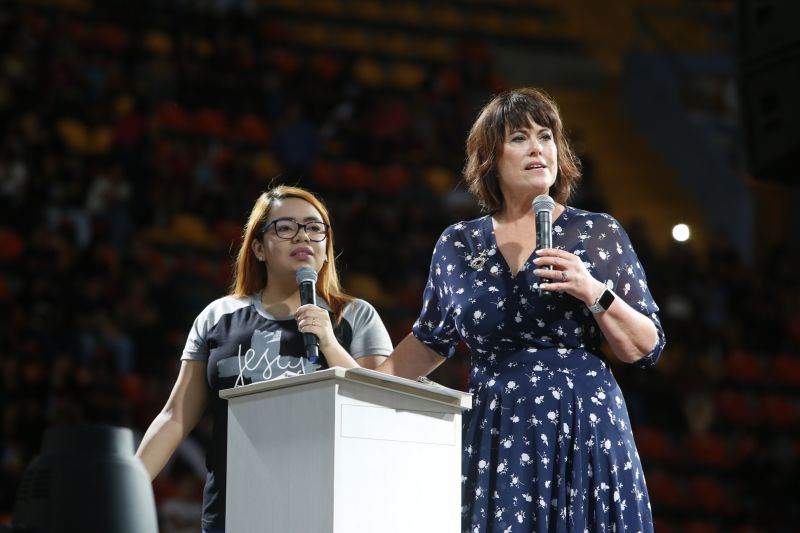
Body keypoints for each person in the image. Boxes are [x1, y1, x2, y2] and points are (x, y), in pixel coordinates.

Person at [376, 88, 665, 532]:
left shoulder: (596, 232)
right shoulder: (458, 243)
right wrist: (357, 383)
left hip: (582, 422)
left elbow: (643, 347)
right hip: (499, 426)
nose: (537, 148)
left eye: (546, 136)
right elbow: (429, 342)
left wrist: (593, 291)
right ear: (490, 157)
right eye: (519, 138)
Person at [135, 185, 393, 533]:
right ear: (258, 247)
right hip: (234, 509)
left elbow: (381, 408)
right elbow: (175, 417)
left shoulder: (356, 316)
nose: (303, 235)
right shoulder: (218, 317)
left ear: (327, 248)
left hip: (330, 510)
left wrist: (329, 344)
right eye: (285, 227)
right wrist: (128, 486)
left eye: (315, 227)